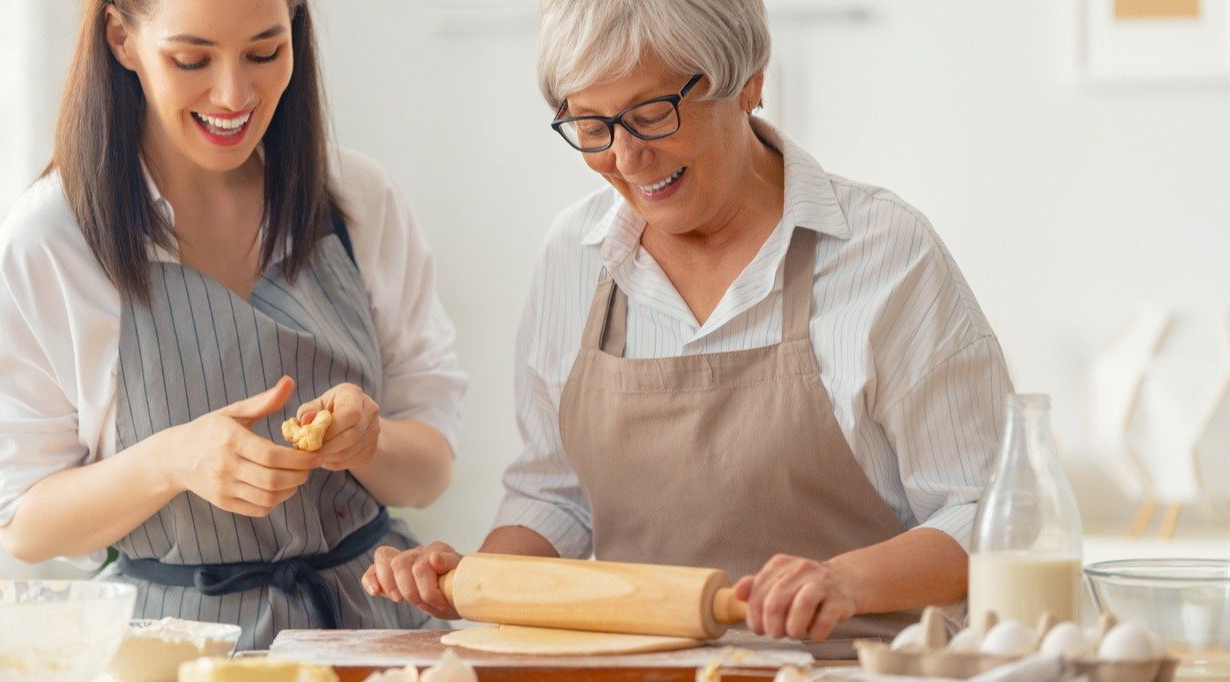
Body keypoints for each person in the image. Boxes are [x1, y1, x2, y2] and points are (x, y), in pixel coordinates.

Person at [363, 0, 1011, 642]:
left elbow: (991, 514)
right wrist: (470, 578)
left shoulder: (883, 253)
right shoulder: (575, 255)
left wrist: (843, 582)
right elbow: (557, 496)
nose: (626, 156)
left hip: (846, 666)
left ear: (749, 81)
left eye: (651, 115)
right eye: (592, 126)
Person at [0, 0, 466, 648]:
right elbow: (25, 523)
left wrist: (369, 443)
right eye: (191, 58)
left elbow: (433, 469)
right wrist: (169, 462)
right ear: (121, 38)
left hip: (375, 635)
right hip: (178, 651)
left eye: (265, 52)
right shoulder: (51, 245)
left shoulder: (359, 202)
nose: (233, 93)